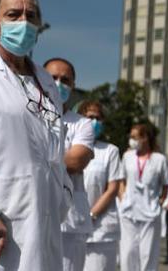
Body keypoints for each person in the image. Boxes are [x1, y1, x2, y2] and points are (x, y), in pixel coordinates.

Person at [0, 0, 67, 270]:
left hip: (44, 218)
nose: (23, 22)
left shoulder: (46, 81)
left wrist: (63, 195)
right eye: (13, 14)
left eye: (30, 16)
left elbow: (56, 148)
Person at [45, 57, 96, 271]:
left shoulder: (82, 124)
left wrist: (33, 158)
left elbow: (76, 161)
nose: (59, 84)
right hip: (34, 213)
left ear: (73, 85)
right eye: (52, 78)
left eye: (65, 80)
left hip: (70, 222)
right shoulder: (27, 114)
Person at [119, 122, 168, 271]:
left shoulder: (159, 159)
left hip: (150, 213)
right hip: (129, 212)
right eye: (131, 137)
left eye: (135, 137)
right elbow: (121, 180)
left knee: (147, 255)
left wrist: (160, 201)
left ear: (145, 138)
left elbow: (166, 184)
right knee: (128, 254)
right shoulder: (127, 156)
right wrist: (122, 198)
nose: (132, 140)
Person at [80, 100, 124, 271]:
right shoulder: (69, 147)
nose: (94, 122)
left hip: (101, 231)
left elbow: (112, 189)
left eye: (98, 118)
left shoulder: (109, 151)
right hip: (73, 227)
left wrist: (91, 215)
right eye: (90, 117)